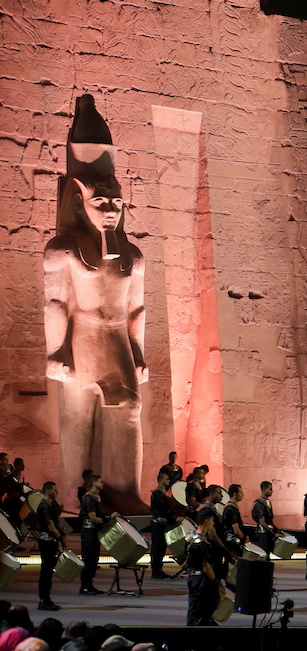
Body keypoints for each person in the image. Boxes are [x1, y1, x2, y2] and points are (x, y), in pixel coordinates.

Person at [44, 94, 147, 509]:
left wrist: (138, 349)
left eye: (117, 203)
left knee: (128, 409)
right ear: (79, 202)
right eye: (100, 203)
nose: (111, 212)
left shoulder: (133, 254)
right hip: (83, 333)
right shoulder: (62, 248)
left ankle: (125, 491)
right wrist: (56, 351)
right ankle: (74, 496)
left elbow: (136, 308)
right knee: (77, 420)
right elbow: (56, 302)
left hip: (116, 337)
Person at [186, 508, 225, 626]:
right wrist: (216, 583)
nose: (213, 524)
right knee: (201, 614)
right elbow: (206, 566)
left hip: (193, 578)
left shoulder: (190, 537)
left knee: (195, 611)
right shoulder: (201, 543)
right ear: (206, 521)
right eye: (212, 521)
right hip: (202, 581)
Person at [79, 473, 116, 595]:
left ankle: (89, 584)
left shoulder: (96, 498)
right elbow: (94, 518)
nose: (103, 483)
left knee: (93, 559)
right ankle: (84, 586)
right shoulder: (89, 498)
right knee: (88, 559)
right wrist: (109, 520)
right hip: (89, 532)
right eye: (101, 481)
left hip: (94, 532)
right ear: (94, 483)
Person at [36, 481, 67, 611]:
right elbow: (50, 525)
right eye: (55, 490)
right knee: (46, 572)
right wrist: (60, 539)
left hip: (52, 541)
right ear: (48, 491)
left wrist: (62, 538)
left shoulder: (52, 504)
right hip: (46, 541)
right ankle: (43, 600)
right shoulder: (43, 506)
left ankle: (47, 599)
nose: (57, 492)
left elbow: (56, 523)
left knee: (49, 572)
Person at [148, 467, 174, 579]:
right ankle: (155, 570)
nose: (169, 481)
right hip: (158, 523)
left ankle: (159, 569)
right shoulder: (157, 494)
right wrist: (174, 518)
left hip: (163, 524)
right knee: (157, 547)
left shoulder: (163, 494)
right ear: (161, 480)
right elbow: (163, 509)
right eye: (167, 479)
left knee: (162, 547)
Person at [221, 484, 245, 568]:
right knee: (234, 567)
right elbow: (236, 529)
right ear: (235, 494)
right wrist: (244, 538)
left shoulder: (229, 507)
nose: (243, 494)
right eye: (241, 492)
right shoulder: (232, 509)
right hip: (233, 542)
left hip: (229, 540)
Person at [251, 481, 276, 554]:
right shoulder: (259, 504)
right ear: (264, 490)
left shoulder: (267, 502)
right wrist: (273, 533)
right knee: (264, 554)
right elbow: (262, 522)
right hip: (263, 533)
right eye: (270, 489)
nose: (272, 491)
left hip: (267, 532)